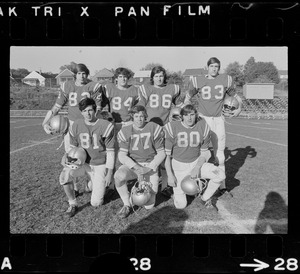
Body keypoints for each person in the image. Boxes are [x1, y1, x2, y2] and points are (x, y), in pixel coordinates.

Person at [184, 57, 243, 197]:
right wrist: (185, 112)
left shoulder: (225, 80)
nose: (214, 69)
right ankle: (196, 180)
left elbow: (237, 97)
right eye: (212, 66)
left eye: (217, 66)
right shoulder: (198, 80)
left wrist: (239, 109)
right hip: (203, 119)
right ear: (207, 67)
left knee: (220, 154)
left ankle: (222, 185)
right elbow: (188, 97)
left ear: (219, 67)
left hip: (218, 119)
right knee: (198, 150)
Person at [42, 63, 103, 196]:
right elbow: (56, 107)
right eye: (79, 73)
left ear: (87, 74)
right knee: (71, 157)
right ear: (75, 74)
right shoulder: (67, 86)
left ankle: (89, 180)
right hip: (72, 126)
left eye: (84, 73)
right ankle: (74, 186)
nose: (82, 76)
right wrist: (45, 122)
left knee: (89, 154)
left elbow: (98, 109)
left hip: (87, 125)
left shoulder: (94, 86)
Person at [59, 98, 115, 217]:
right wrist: (65, 155)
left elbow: (110, 152)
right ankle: (72, 204)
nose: (87, 113)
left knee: (96, 203)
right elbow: (72, 146)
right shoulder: (76, 125)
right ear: (81, 112)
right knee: (64, 176)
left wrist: (109, 173)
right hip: (83, 163)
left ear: (95, 110)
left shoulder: (106, 125)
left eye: (90, 110)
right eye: (84, 111)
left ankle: (95, 184)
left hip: (99, 164)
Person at [164, 104, 226, 210]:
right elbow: (167, 156)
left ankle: (204, 198)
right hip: (179, 166)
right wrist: (170, 175)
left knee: (220, 174)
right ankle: (175, 193)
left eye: (192, 115)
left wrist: (197, 168)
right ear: (181, 116)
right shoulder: (172, 127)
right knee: (180, 205)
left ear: (195, 115)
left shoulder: (203, 126)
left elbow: (204, 153)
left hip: (196, 162)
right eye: (186, 115)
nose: (189, 118)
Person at [137, 66, 185, 196]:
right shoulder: (146, 89)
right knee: (148, 155)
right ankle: (145, 183)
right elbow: (140, 107)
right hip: (150, 127)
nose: (159, 78)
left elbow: (179, 105)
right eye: (156, 76)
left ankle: (165, 185)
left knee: (165, 156)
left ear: (165, 77)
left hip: (165, 126)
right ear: (152, 77)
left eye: (161, 76)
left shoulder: (172, 89)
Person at [114, 105, 166, 218]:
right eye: (136, 116)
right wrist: (136, 168)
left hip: (149, 165)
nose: (139, 119)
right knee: (118, 176)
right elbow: (122, 155)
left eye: (142, 116)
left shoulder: (154, 127)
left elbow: (161, 153)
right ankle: (126, 204)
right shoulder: (126, 131)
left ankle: (139, 189)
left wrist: (148, 168)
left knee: (149, 205)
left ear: (146, 116)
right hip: (134, 165)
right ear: (132, 116)